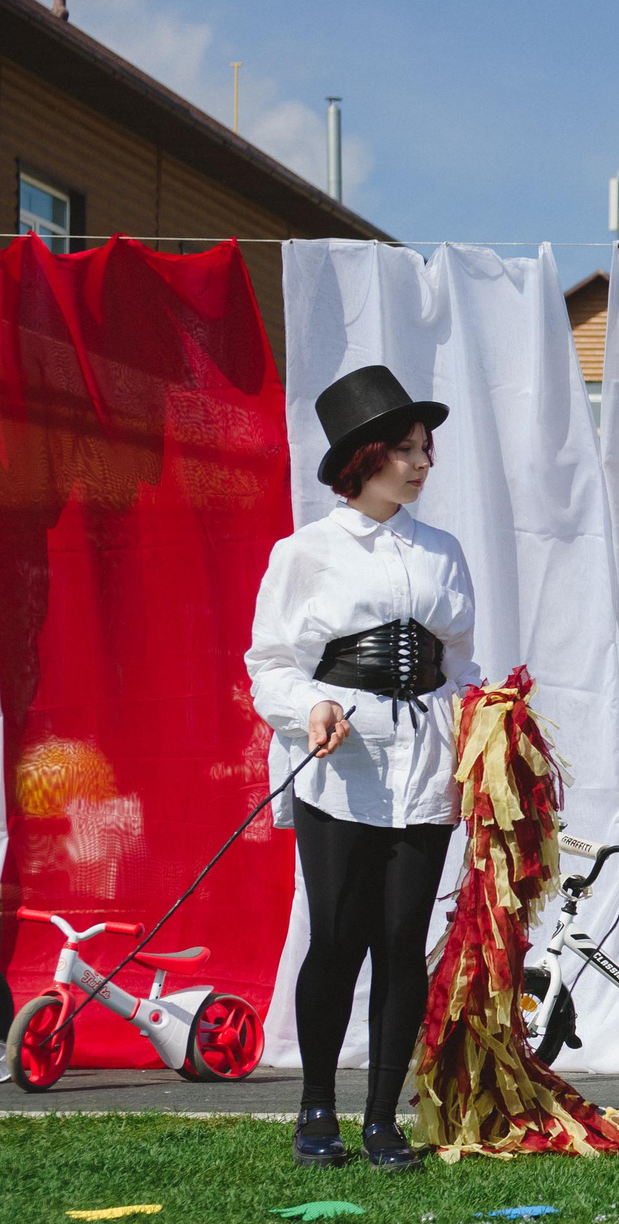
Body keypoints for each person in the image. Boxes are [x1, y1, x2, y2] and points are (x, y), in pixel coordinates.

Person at [247, 365, 479, 1172]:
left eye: (426, 448)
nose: (424, 463)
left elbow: (460, 663)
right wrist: (306, 707)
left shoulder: (442, 551)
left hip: (427, 763)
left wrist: (488, 726)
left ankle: (382, 1118)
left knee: (400, 938)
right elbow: (271, 661)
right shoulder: (306, 551)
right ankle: (317, 1107)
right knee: (339, 938)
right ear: (365, 457)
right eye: (408, 450)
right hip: (341, 764)